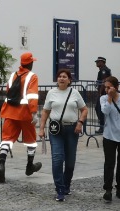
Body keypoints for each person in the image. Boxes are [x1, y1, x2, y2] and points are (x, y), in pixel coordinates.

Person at [36, 69, 87, 201]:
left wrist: (80, 122)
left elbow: (84, 109)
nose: (61, 79)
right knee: (57, 159)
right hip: (55, 129)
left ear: (69, 80)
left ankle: (66, 184)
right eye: (59, 77)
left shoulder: (75, 93)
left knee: (70, 162)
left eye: (64, 77)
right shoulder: (51, 93)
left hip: (72, 129)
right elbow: (46, 112)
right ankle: (59, 188)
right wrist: (41, 128)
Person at [0, 52, 42, 183]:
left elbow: (8, 90)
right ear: (30, 63)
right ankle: (29, 166)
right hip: (25, 113)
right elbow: (32, 96)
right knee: (31, 140)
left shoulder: (13, 75)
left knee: (7, 139)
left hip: (10, 112)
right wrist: (34, 113)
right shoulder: (32, 76)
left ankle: (1, 164)